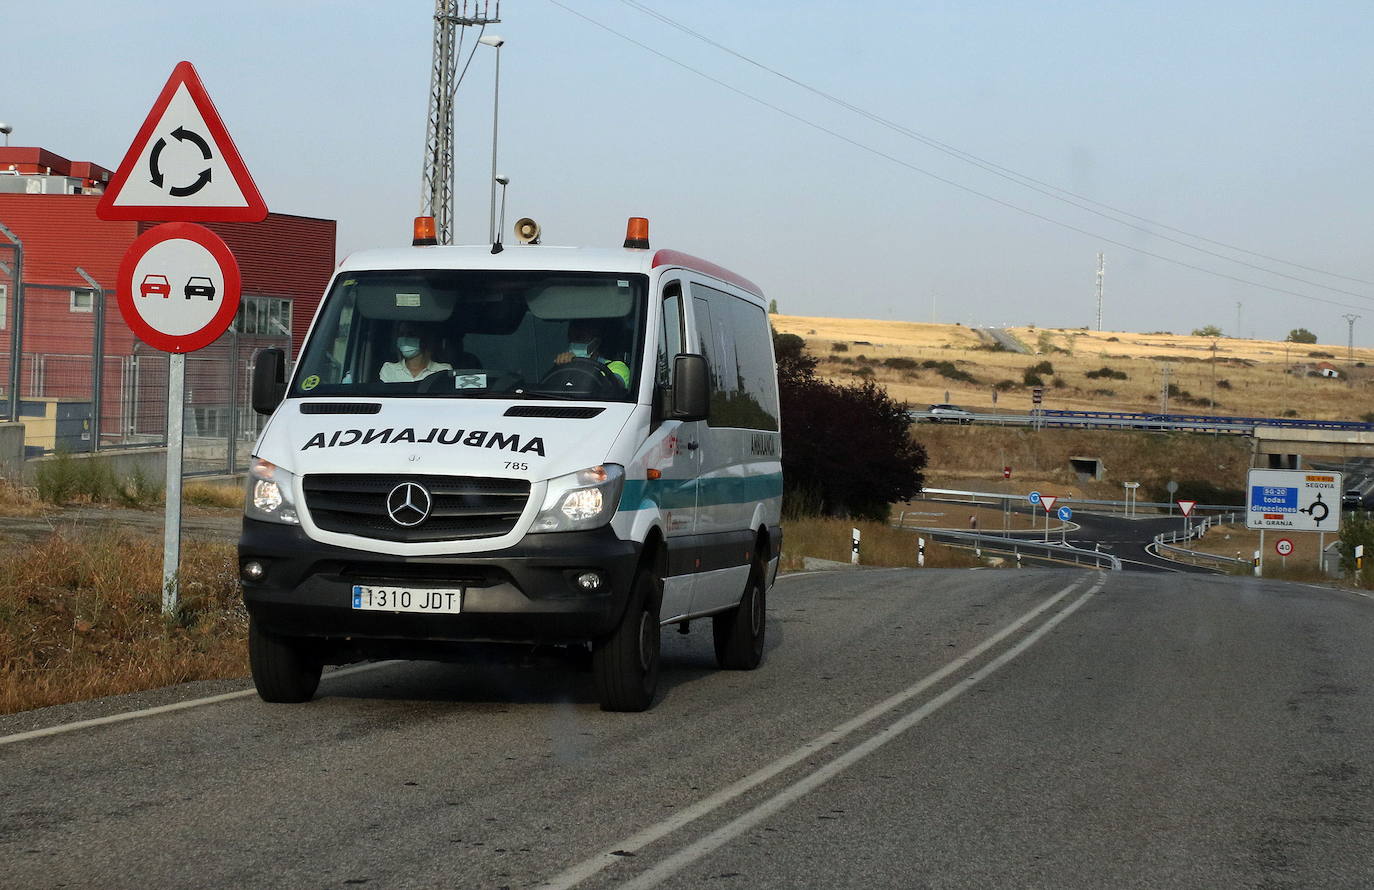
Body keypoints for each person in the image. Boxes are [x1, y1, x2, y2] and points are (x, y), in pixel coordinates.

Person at [553, 320, 630, 387]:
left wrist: (579, 366)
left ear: (596, 342)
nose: (574, 343)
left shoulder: (617, 367)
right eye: (571, 339)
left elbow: (612, 387)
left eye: (580, 338)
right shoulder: (566, 367)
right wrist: (561, 369)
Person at [379, 322, 453, 382]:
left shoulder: (443, 370)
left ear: (424, 340)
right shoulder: (389, 369)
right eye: (401, 334)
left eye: (411, 334)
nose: (404, 339)